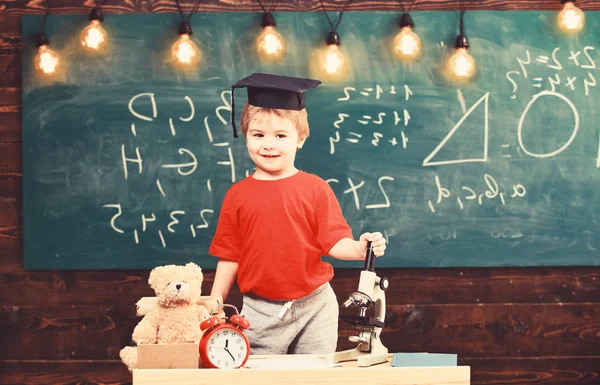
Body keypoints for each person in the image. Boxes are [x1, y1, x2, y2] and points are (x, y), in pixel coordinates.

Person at [209, 72, 387, 355]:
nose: (269, 144)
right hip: (259, 310)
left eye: (281, 135)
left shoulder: (315, 188)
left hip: (315, 306)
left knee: (313, 377)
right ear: (245, 137)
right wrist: (215, 300)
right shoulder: (237, 195)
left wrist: (360, 248)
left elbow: (333, 241)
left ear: (300, 138)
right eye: (259, 135)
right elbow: (230, 253)